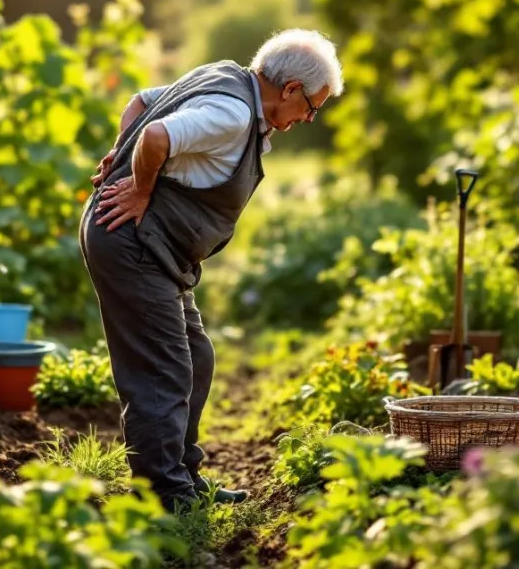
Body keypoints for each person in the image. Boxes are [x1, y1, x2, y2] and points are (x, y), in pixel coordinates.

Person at [77, 29, 343, 512]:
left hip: (158, 249)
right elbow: (155, 134)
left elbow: (141, 103)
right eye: (312, 106)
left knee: (195, 356)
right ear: (289, 90)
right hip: (134, 242)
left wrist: (122, 153)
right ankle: (163, 497)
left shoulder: (224, 77)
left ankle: (181, 474)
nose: (308, 117)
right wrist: (136, 186)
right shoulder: (233, 112)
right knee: (163, 370)